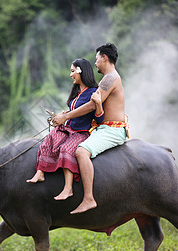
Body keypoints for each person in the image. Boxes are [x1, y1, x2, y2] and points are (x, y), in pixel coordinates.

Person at [54, 43, 127, 214]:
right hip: (102, 128)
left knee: (81, 151)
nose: (95, 64)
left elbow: (91, 106)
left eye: (96, 59)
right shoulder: (108, 78)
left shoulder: (110, 78)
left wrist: (66, 117)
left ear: (104, 58)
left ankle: (89, 198)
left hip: (112, 129)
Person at [27, 58, 104, 201]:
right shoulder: (76, 92)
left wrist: (98, 105)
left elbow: (99, 118)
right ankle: (40, 171)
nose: (71, 74)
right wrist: (63, 115)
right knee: (50, 137)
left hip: (82, 132)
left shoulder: (94, 92)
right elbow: (72, 111)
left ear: (82, 72)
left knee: (66, 149)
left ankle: (68, 188)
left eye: (73, 71)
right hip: (69, 128)